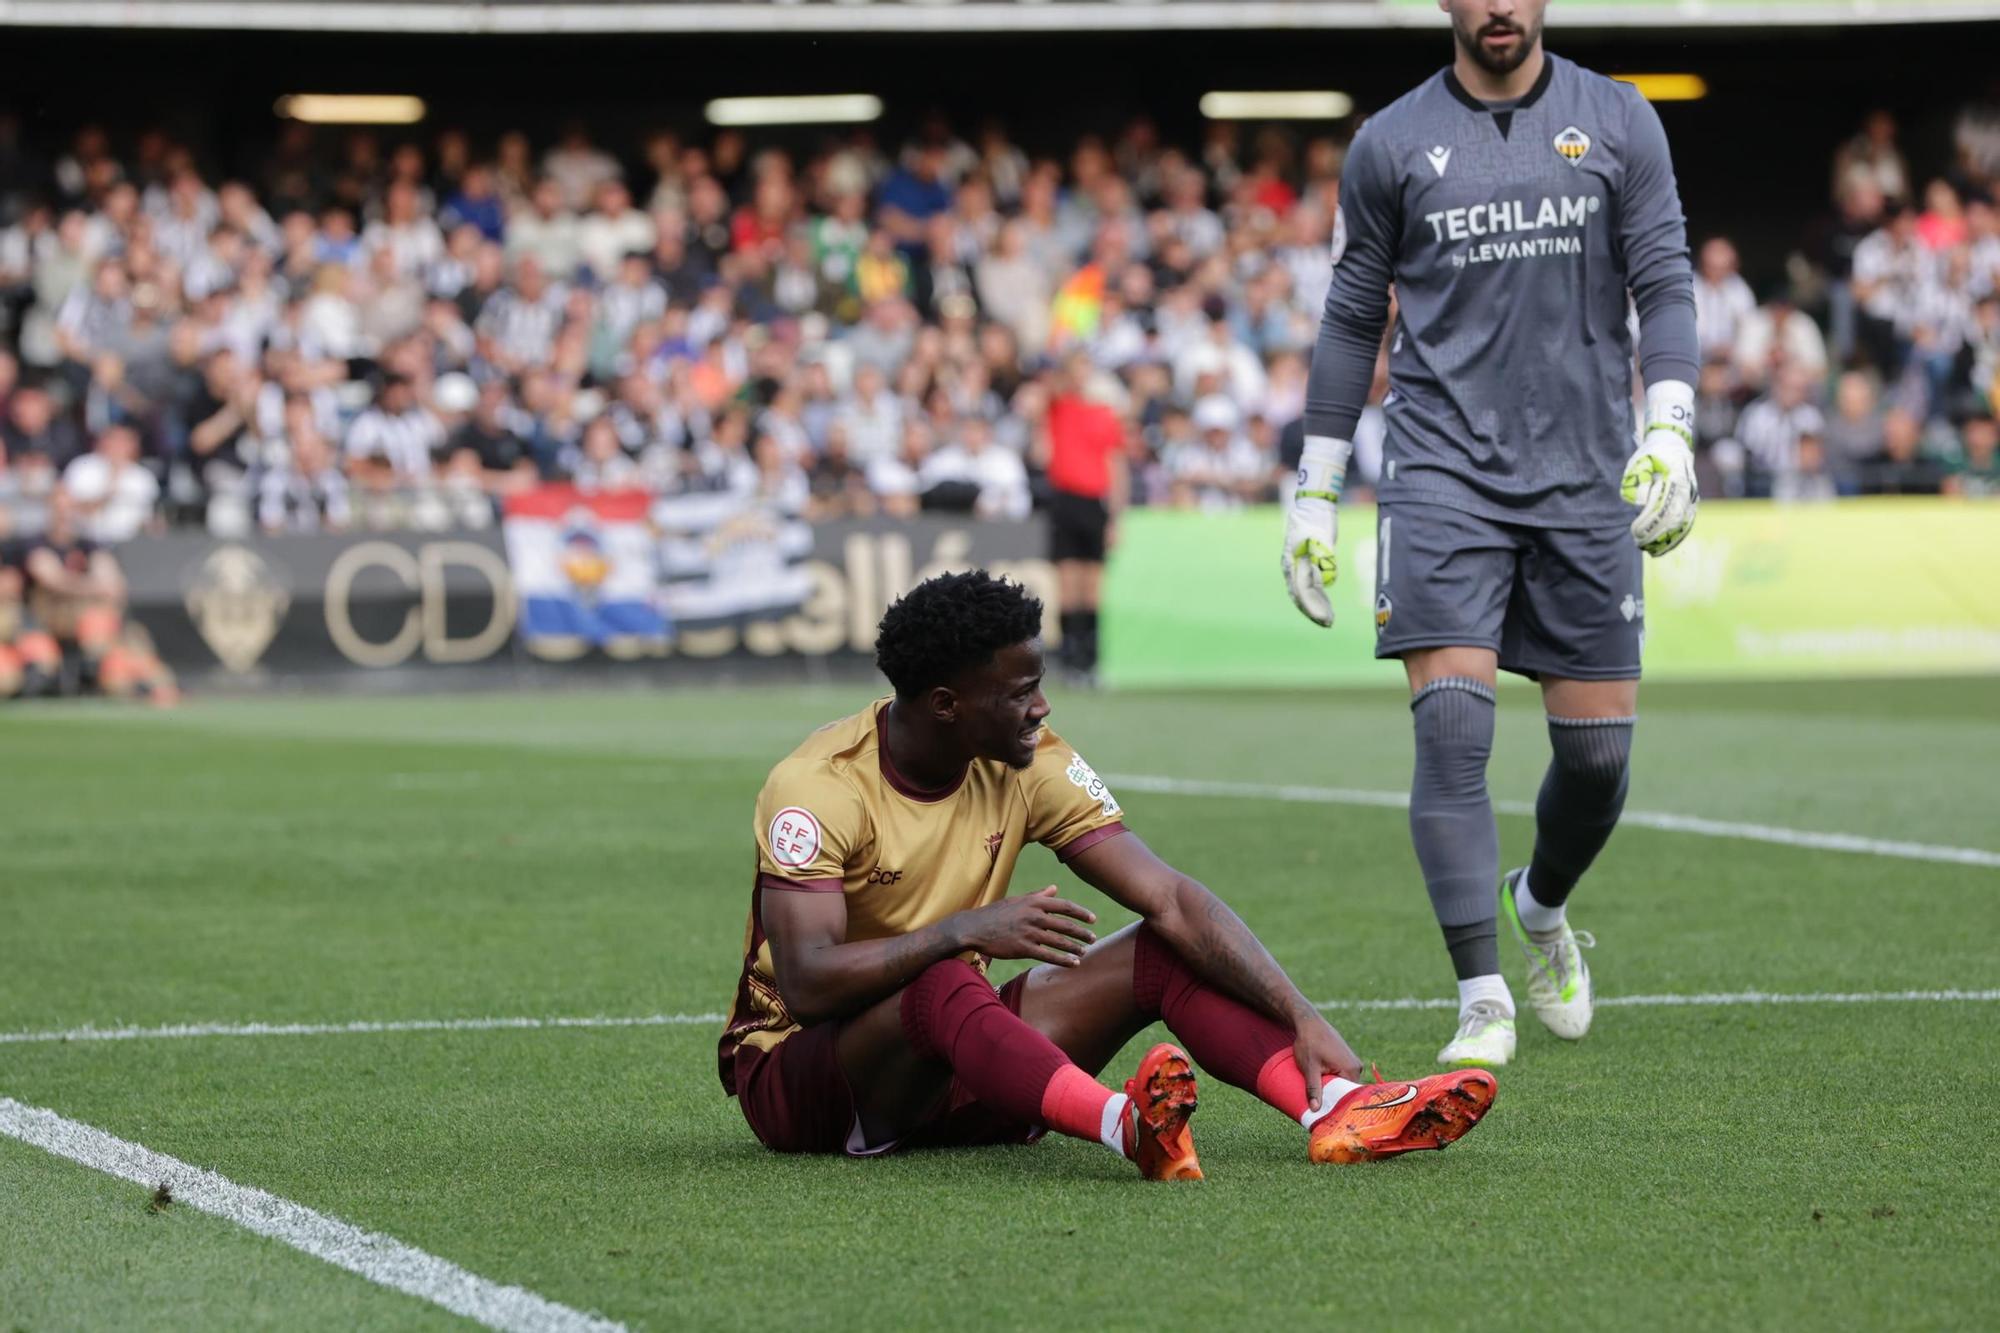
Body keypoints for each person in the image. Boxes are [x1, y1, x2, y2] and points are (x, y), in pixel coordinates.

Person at [720, 571, 1495, 1176]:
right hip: (808, 1085)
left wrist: (1298, 1012)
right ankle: (1123, 1125)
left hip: (957, 1069)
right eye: (1020, 691)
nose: (1041, 706)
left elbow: (1171, 898)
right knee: (943, 980)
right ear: (948, 703)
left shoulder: (1029, 760)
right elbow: (810, 984)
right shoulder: (819, 786)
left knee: (1160, 947)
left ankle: (1335, 1106)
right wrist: (961, 930)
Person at [1282, 0, 1700, 1067]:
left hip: (1582, 473)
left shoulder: (1616, 120)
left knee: (1598, 759)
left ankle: (1541, 906)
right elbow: (1349, 315)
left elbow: (1661, 277)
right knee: (1452, 735)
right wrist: (1314, 487)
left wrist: (1672, 425)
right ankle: (1479, 996)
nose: (1499, 6)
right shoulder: (1387, 141)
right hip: (1440, 474)